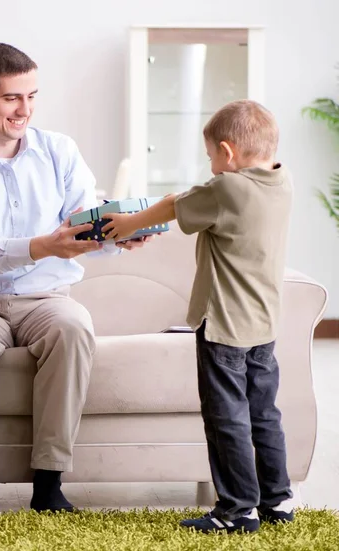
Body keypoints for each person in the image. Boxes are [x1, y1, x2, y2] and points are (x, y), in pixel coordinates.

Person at [0, 43, 148, 514]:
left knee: (73, 327)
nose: (24, 109)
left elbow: (81, 223)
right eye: (11, 98)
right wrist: (40, 245)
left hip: (47, 295)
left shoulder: (59, 151)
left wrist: (116, 235)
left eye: (32, 96)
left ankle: (49, 483)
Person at [102, 99, 294, 533]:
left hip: (224, 325)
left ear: (227, 153)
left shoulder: (229, 189)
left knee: (227, 418)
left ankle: (236, 509)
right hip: (264, 324)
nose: (210, 166)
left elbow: (174, 204)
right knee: (264, 413)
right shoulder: (282, 182)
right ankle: (277, 501)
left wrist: (129, 223)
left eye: (211, 158)